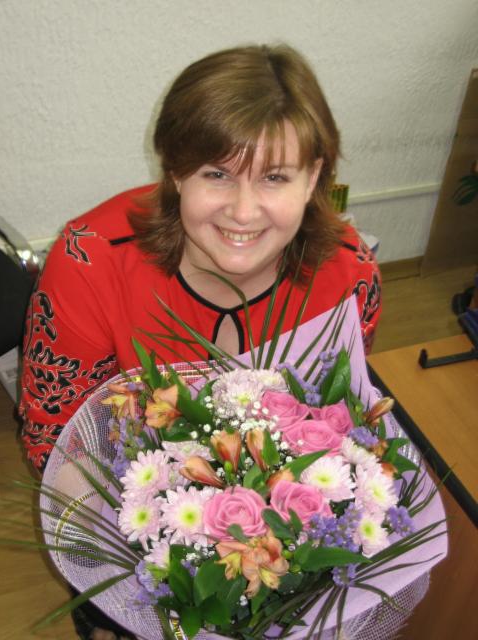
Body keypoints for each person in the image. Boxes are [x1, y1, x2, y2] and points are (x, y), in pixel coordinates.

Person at [19, 43, 381, 640]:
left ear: (314, 176)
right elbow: (57, 443)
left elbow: (340, 425)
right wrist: (139, 578)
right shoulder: (91, 262)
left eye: (275, 177)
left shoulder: (347, 274)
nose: (243, 211)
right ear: (175, 170)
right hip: (131, 531)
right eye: (217, 174)